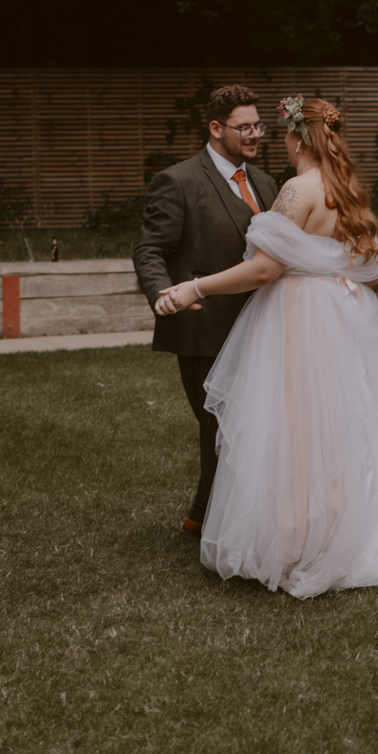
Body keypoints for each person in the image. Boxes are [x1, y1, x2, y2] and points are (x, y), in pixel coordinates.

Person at [155, 96, 378, 599]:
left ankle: (294, 542)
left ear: (298, 138)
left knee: (292, 425)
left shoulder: (296, 188)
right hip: (341, 318)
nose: (278, 143)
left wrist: (193, 287)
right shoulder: (348, 190)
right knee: (338, 422)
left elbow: (264, 269)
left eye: (283, 133)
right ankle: (341, 534)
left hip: (297, 317)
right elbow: (371, 272)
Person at [133, 85, 278, 540]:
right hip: (205, 329)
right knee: (221, 430)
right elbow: (150, 249)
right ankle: (208, 522)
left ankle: (211, 518)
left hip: (265, 328)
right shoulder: (178, 181)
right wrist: (161, 294)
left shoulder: (268, 184)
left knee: (252, 430)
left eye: (258, 125)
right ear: (216, 128)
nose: (255, 134)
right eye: (244, 127)